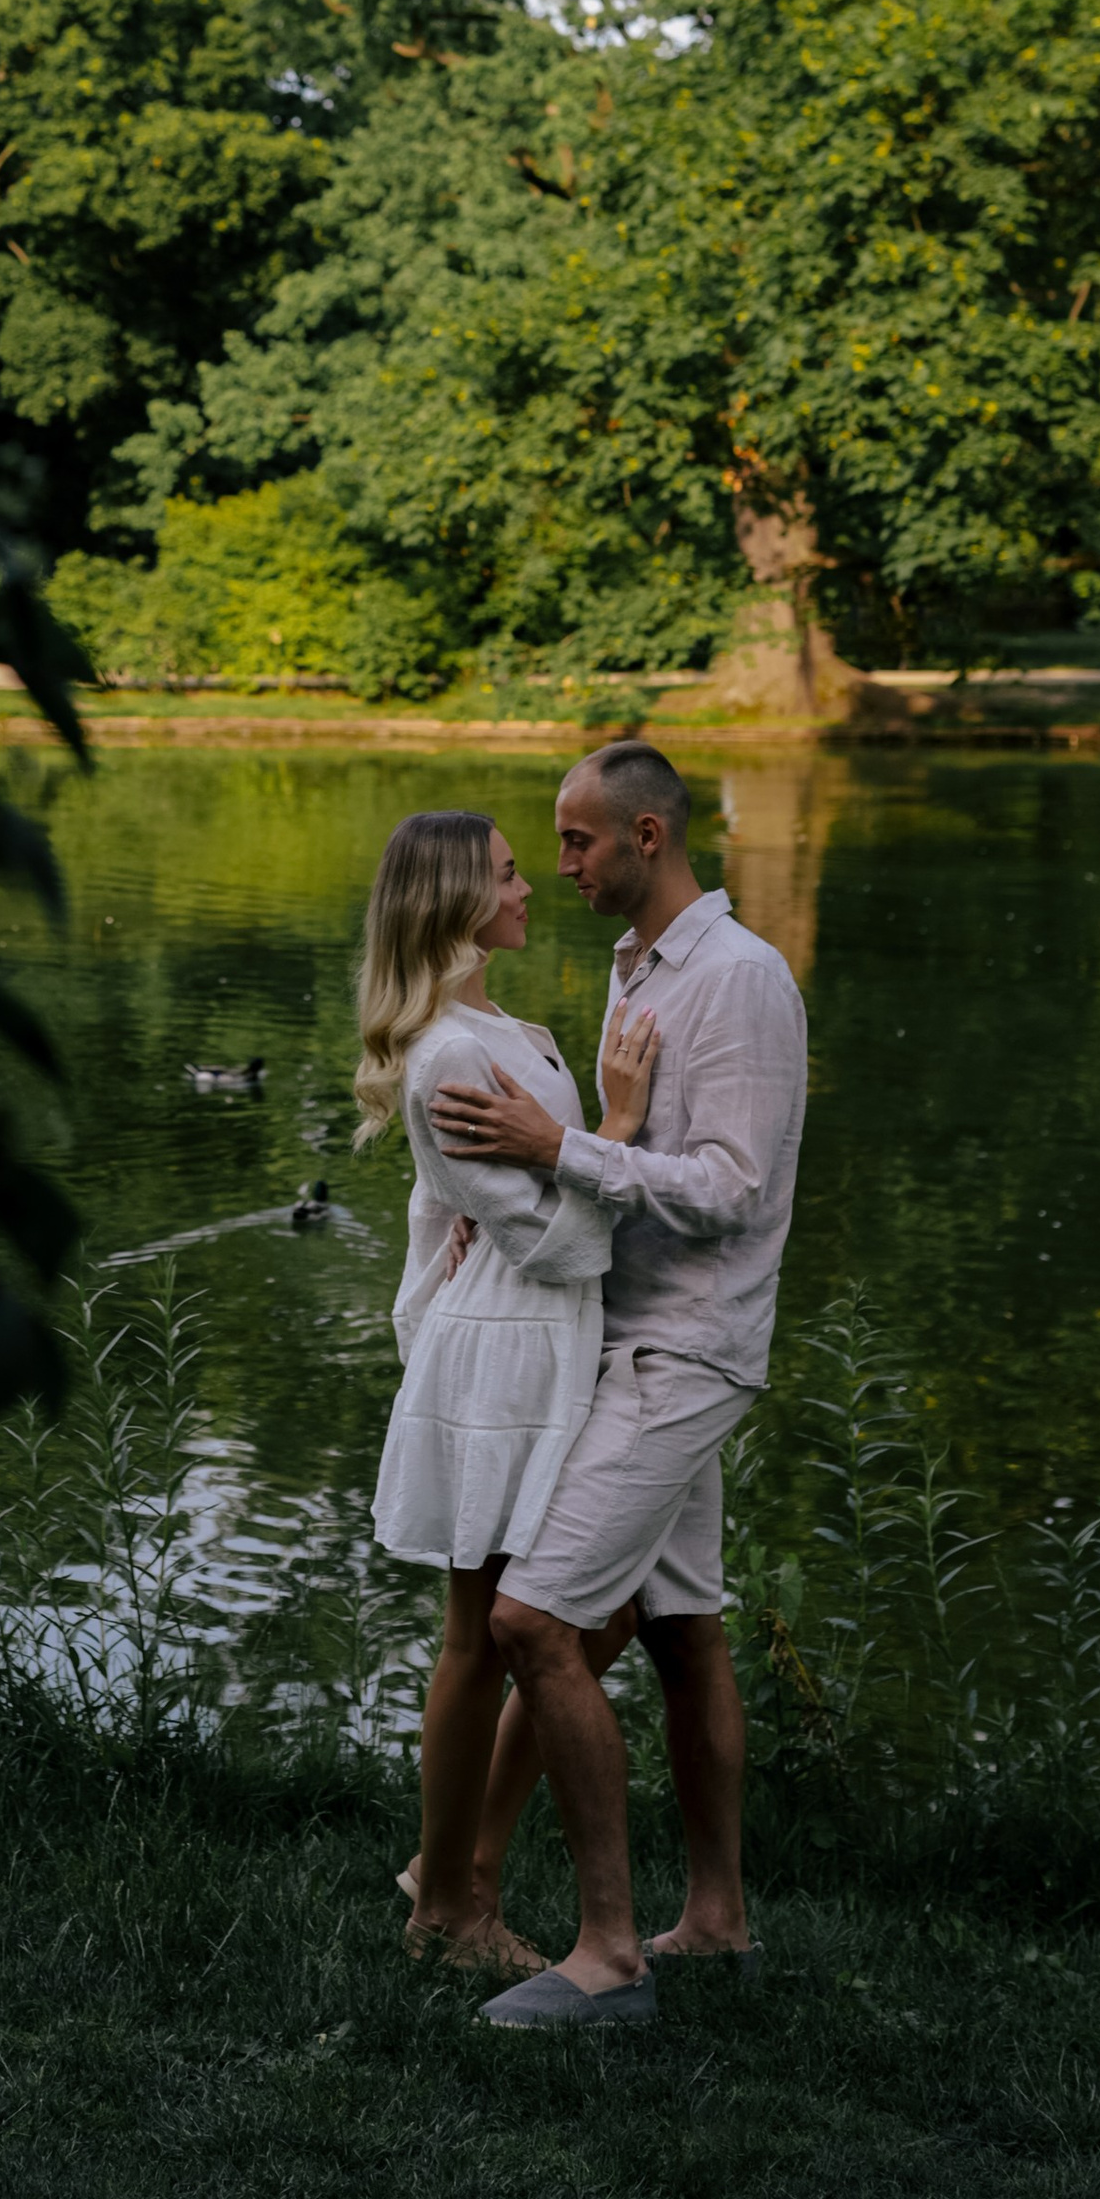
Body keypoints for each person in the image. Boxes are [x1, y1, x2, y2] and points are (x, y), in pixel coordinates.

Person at [431, 742, 808, 2028]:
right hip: (621, 1329)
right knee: (681, 1630)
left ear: (648, 836)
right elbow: (616, 1159)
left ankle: (606, 1959)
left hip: (683, 1349)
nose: (559, 865)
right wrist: (523, 1197)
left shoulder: (740, 978)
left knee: (532, 1623)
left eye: (578, 840)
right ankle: (715, 1920)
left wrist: (562, 1150)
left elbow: (732, 1190)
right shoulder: (636, 967)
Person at [355, 807, 661, 1976]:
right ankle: (448, 1909)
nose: (531, 887)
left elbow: (447, 1215)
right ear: (454, 901)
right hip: (507, 1350)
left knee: (594, 1611)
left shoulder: (508, 1030)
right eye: (507, 874)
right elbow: (557, 1244)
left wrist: (491, 1223)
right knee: (480, 1639)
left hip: (542, 1345)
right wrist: (616, 1128)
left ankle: (454, 1868)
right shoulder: (449, 1055)